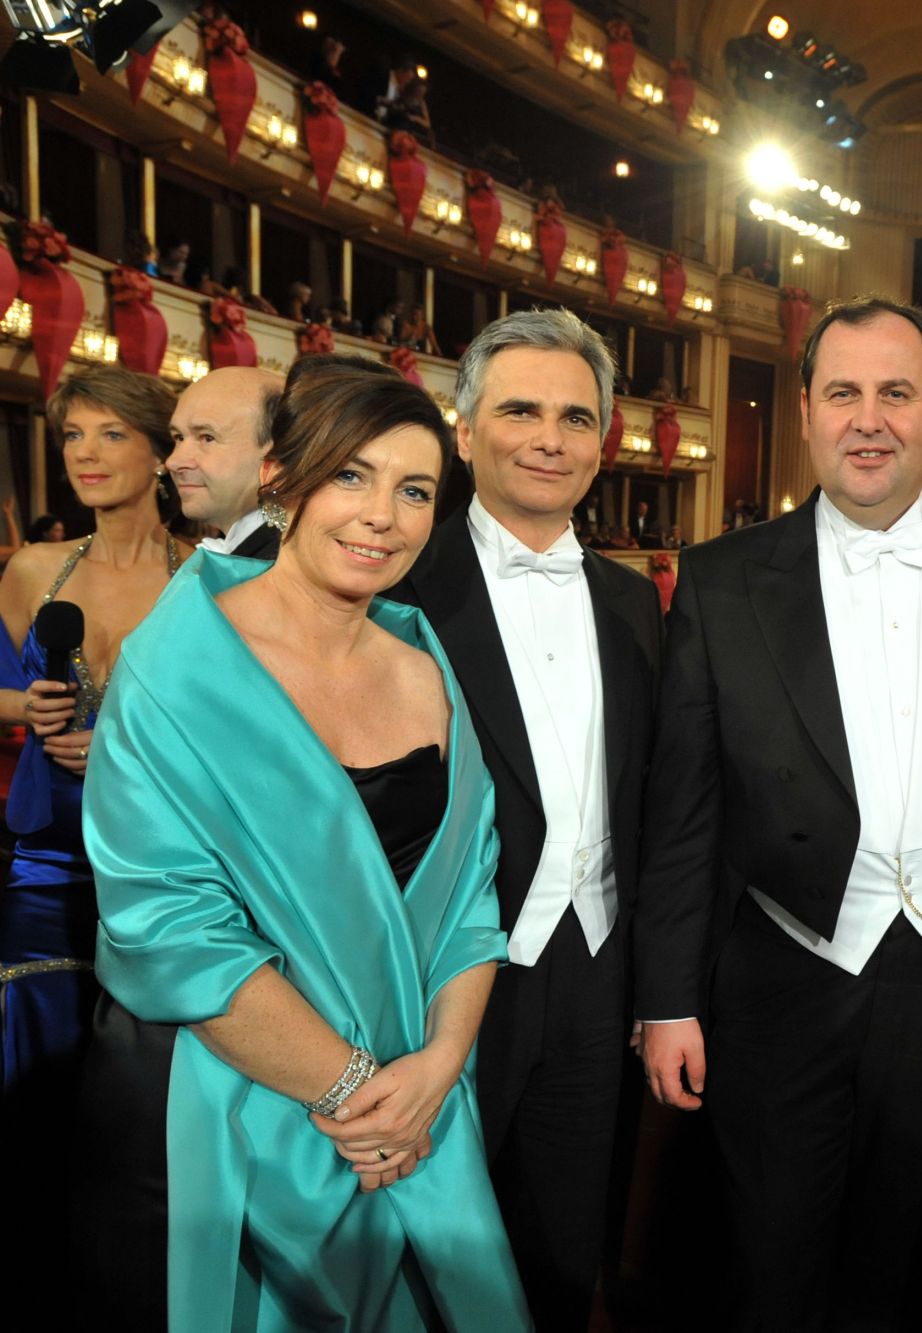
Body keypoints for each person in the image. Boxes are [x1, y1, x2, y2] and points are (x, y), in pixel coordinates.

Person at [634, 297, 922, 1332]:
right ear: (805, 410)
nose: (867, 418)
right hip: (782, 979)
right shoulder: (722, 577)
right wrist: (667, 1000)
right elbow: (683, 810)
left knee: (908, 1264)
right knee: (765, 1264)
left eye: (894, 393)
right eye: (843, 393)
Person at [82, 357, 530, 1330]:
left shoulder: (423, 662)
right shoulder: (179, 663)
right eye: (349, 475)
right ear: (282, 475)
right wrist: (356, 1094)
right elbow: (168, 926)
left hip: (422, 1117)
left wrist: (437, 1069)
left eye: (414, 489)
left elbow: (470, 903)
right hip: (253, 1111)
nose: (382, 514)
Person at [389, 310, 661, 1326]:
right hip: (440, 978)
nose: (549, 436)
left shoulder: (634, 604)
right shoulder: (400, 587)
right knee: (425, 1245)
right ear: (463, 432)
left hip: (597, 975)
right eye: (519, 411)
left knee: (562, 1249)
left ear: (601, 442)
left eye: (574, 416)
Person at [0, 367, 189, 1285]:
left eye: (111, 434)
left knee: (137, 1096)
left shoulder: (207, 576)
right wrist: (21, 705)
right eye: (73, 436)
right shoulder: (35, 569)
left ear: (161, 449)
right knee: (38, 1074)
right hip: (46, 860)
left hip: (163, 866)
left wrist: (125, 738)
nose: (87, 455)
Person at [167, 365, 285, 558]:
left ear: (278, 453)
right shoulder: (254, 553)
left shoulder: (288, 566)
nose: (173, 462)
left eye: (207, 438)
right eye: (178, 437)